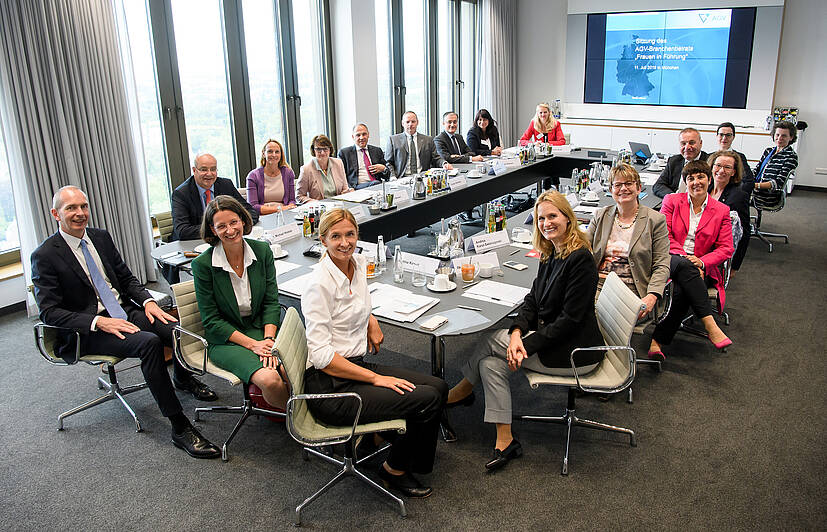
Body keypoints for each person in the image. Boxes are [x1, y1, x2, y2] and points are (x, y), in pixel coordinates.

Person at [31, 186, 220, 459]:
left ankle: (182, 377)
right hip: (87, 329)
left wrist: (148, 302)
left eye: (83, 206)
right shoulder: (45, 255)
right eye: (71, 208)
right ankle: (180, 427)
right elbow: (49, 312)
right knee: (149, 343)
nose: (80, 213)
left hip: (122, 309)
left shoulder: (100, 237)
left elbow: (127, 278)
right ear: (55, 214)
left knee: (172, 328)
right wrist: (99, 322)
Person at [446, 191, 603, 472]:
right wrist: (517, 333)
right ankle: (505, 440)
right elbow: (532, 300)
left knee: (489, 339)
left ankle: (461, 390)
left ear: (568, 218)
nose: (546, 223)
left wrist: (526, 345)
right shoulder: (552, 251)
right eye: (541, 217)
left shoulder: (580, 259)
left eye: (553, 216)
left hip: (574, 352)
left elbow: (569, 320)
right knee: (490, 364)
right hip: (552, 339)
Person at [301, 208, 447, 498]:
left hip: (353, 365)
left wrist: (370, 320)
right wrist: (374, 379)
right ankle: (394, 469)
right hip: (331, 387)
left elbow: (357, 301)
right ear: (323, 240)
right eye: (336, 236)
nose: (345, 243)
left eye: (350, 234)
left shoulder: (357, 262)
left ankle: (379, 437)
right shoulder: (319, 284)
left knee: (439, 386)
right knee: (426, 398)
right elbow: (322, 358)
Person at [191, 196, 288, 410]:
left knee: (294, 368)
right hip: (227, 339)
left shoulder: (262, 252)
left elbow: (271, 302)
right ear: (212, 229)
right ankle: (302, 423)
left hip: (262, 330)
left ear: (243, 220)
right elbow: (211, 321)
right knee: (271, 379)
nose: (230, 230)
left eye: (233, 222)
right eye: (221, 226)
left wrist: (269, 339)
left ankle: (299, 413)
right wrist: (255, 345)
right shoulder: (203, 265)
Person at [649, 161, 734, 360]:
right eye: (691, 178)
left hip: (702, 266)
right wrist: (689, 260)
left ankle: (657, 341)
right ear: (685, 182)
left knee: (682, 287)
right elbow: (664, 235)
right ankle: (710, 325)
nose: (696, 182)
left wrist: (702, 262)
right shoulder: (672, 200)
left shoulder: (721, 210)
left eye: (700, 177)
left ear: (709, 180)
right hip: (670, 258)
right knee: (688, 271)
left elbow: (726, 248)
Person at [587, 164, 670, 320]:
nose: (623, 189)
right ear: (611, 190)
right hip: (599, 286)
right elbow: (582, 248)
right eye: (617, 185)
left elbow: (662, 264)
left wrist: (652, 296)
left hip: (633, 290)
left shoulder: (655, 220)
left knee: (595, 320)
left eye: (628, 184)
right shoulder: (600, 216)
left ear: (638, 188)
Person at [172, 152, 259, 241]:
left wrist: (234, 228)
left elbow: (250, 212)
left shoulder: (226, 185)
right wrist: (219, 229)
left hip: (226, 240)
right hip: (194, 244)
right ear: (194, 170)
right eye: (204, 169)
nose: (209, 174)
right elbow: (182, 231)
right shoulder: (181, 193)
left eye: (213, 169)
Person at [708, 150, 750, 272]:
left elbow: (744, 232)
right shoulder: (704, 188)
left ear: (733, 172)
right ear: (712, 167)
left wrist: (735, 267)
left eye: (727, 167)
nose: (721, 170)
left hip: (717, 251)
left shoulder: (738, 196)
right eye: (718, 165)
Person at [384, 111, 451, 178]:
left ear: (417, 122)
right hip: (402, 178)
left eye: (413, 122)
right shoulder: (393, 140)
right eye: (407, 122)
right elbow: (388, 162)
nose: (410, 124)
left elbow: (436, 158)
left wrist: (444, 163)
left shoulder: (428, 140)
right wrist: (392, 176)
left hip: (423, 177)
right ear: (402, 123)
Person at [653, 128, 710, 198]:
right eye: (683, 144)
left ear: (700, 143)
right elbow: (658, 185)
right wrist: (674, 197)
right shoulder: (674, 161)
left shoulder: (709, 163)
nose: (687, 147)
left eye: (691, 143)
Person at [246, 139, 297, 215]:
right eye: (270, 151)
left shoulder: (288, 173)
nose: (274, 155)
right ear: (264, 154)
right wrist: (280, 209)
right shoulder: (253, 176)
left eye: (277, 152)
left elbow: (292, 200)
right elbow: (253, 207)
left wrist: (290, 207)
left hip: (285, 215)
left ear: (281, 155)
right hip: (263, 216)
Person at [753, 121, 798, 204]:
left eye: (784, 136)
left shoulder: (791, 157)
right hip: (754, 189)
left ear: (791, 137)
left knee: (734, 195)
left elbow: (778, 183)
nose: (779, 138)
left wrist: (755, 186)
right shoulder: (768, 151)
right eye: (777, 135)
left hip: (769, 195)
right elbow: (756, 171)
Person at [296, 134, 352, 202]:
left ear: (330, 150)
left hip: (338, 205)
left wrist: (345, 194)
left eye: (325, 149)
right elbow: (299, 196)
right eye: (318, 149)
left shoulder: (338, 163)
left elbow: (345, 188)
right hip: (320, 208)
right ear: (314, 150)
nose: (322, 153)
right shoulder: (306, 169)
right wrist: (314, 202)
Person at [338, 123, 391, 189]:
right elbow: (341, 177)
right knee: (376, 183)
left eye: (364, 134)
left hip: (377, 184)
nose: (361, 137)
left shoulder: (376, 150)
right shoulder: (345, 153)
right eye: (358, 135)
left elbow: (387, 175)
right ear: (353, 137)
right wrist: (349, 189)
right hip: (357, 187)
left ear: (368, 135)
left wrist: (383, 169)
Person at [715, 122, 755, 194]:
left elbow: (749, 182)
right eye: (721, 135)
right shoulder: (710, 157)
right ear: (717, 136)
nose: (724, 138)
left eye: (728, 135)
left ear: (733, 137)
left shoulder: (740, 157)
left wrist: (736, 196)